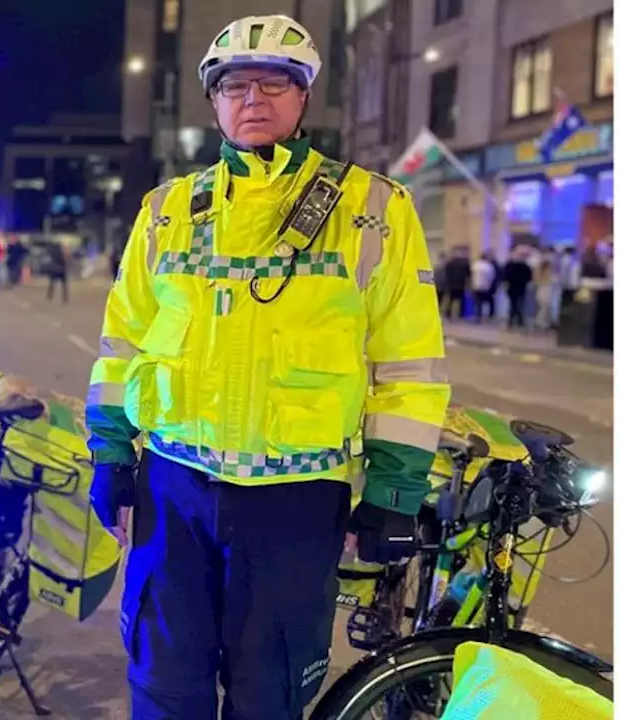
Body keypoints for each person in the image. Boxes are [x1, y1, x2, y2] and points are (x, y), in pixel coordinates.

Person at [84, 15, 450, 720]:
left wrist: (395, 492)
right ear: (215, 102)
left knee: (272, 692)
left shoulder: (374, 210)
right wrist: (109, 457)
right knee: (164, 685)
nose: (254, 97)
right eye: (235, 84)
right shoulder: (166, 212)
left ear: (304, 95)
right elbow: (121, 342)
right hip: (173, 488)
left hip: (296, 497)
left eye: (276, 81)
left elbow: (409, 362)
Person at [471, 251, 498, 323]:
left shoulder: (475, 265)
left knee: (478, 303)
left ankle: (477, 317)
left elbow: (471, 275)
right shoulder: (489, 266)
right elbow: (492, 277)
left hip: (476, 286)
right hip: (485, 287)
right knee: (489, 302)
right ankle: (490, 316)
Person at [44, 238, 69, 303]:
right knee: (64, 284)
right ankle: (65, 298)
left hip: (54, 269)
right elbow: (64, 260)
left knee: (52, 283)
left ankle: (50, 296)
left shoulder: (53, 252)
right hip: (61, 269)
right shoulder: (61, 252)